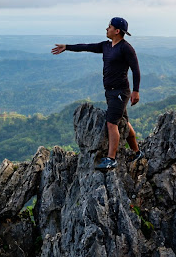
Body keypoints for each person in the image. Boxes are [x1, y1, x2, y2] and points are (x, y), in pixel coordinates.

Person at [51, 17, 141, 170]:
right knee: (123, 121)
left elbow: (136, 69)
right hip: (110, 92)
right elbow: (86, 46)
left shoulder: (126, 48)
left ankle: (111, 158)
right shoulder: (106, 46)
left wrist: (136, 91)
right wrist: (66, 47)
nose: (107, 29)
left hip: (120, 92)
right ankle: (137, 152)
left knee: (112, 124)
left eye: (109, 27)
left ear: (117, 31)